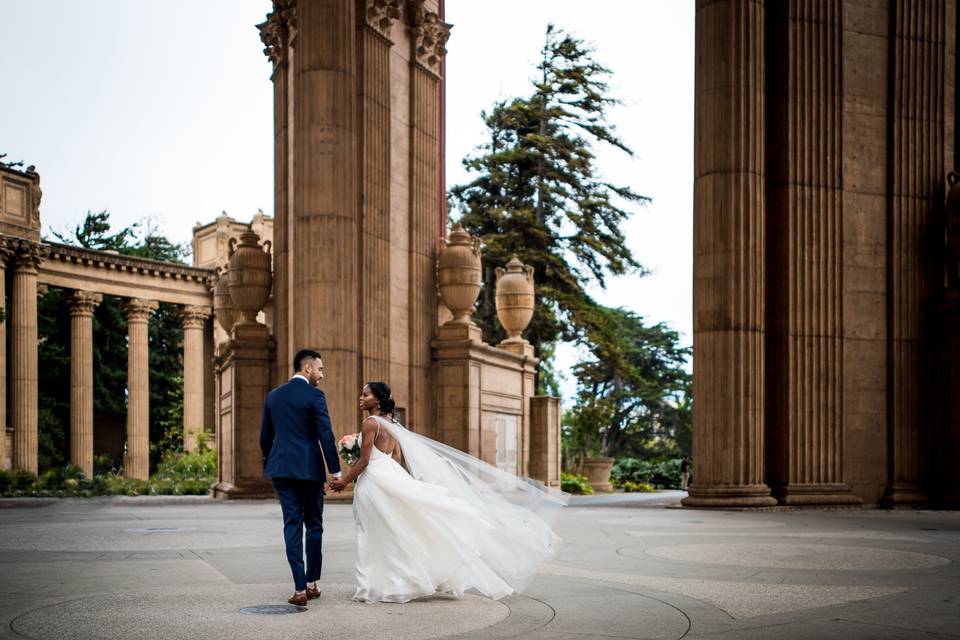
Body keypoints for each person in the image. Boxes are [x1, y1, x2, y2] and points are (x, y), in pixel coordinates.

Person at [329, 381, 566, 603]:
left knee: (372, 532)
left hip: (375, 481)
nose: (361, 398)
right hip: (391, 475)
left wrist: (343, 482)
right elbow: (398, 457)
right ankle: (399, 581)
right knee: (397, 530)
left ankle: (373, 585)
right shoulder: (392, 424)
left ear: (377, 400)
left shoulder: (370, 423)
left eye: (366, 394)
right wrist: (403, 483)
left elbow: (364, 460)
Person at [260, 348, 342, 607]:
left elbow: (265, 437)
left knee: (291, 524)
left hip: (282, 470)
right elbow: (325, 435)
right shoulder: (315, 397)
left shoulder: (274, 396)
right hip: (309, 471)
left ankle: (298, 588)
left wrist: (273, 460)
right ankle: (311, 583)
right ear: (307, 368)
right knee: (314, 525)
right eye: (320, 369)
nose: (322, 374)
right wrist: (336, 471)